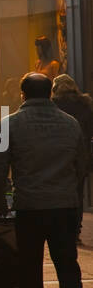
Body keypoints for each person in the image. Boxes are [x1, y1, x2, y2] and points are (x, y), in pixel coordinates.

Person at [0, 72, 88, 288]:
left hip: (29, 208)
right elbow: (80, 166)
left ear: (22, 95)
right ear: (50, 95)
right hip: (64, 208)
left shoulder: (10, 124)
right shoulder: (71, 125)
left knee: (29, 272)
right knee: (69, 272)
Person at [52, 74, 93, 237]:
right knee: (77, 192)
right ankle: (76, 228)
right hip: (80, 153)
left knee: (59, 190)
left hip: (59, 153)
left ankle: (62, 227)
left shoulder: (54, 105)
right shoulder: (85, 104)